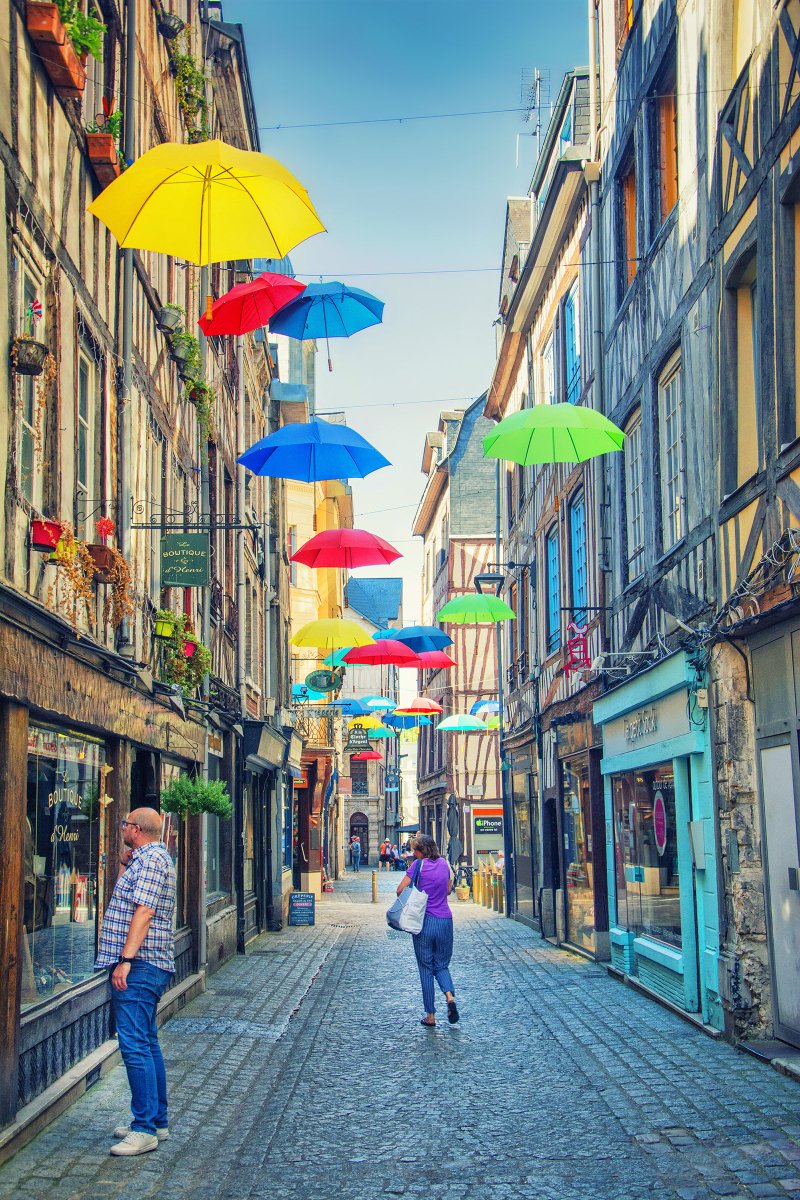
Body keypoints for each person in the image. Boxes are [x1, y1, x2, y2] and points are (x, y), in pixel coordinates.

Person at [95, 808, 176, 1157]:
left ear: (137, 829)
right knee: (146, 1041)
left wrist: (125, 961)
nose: (121, 827)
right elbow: (132, 900)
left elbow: (143, 911)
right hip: (144, 965)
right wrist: (128, 864)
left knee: (135, 1045)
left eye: (124, 823)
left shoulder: (152, 862)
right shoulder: (147, 859)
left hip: (140, 966)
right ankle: (156, 1120)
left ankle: (144, 1128)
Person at [396, 833, 459, 1028]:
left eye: (415, 850)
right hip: (445, 921)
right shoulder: (445, 864)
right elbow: (448, 890)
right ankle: (450, 997)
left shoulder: (418, 865)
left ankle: (430, 1015)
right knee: (441, 965)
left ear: (422, 851)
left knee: (426, 968)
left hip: (423, 922)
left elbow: (400, 890)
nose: (413, 853)